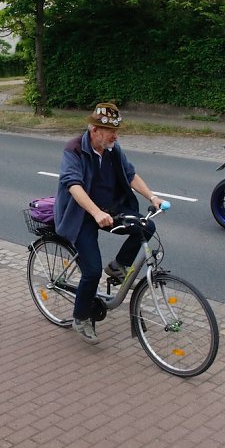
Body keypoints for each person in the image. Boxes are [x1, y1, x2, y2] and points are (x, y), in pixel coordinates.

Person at [53, 102, 167, 344]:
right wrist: (94, 212)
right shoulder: (73, 149)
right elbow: (73, 185)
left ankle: (118, 265)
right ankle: (80, 317)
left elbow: (130, 175)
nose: (116, 135)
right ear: (95, 130)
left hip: (109, 209)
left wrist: (153, 197)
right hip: (81, 214)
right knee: (92, 271)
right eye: (110, 131)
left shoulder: (113, 149)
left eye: (117, 130)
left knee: (146, 227)